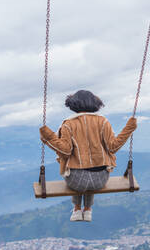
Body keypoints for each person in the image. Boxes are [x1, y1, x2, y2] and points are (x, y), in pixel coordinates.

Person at [39, 90, 137, 222]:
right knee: (90, 177)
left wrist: (48, 137)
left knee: (77, 175)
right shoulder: (103, 122)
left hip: (75, 181)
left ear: (73, 105)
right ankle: (88, 209)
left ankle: (77, 208)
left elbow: (65, 151)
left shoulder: (68, 124)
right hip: (100, 180)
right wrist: (128, 128)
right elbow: (113, 147)